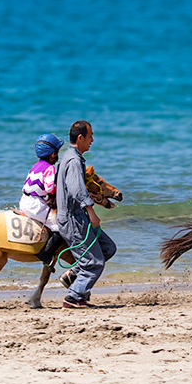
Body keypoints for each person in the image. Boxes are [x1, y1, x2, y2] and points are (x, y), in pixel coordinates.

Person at [56, 120, 117, 308]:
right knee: (94, 263)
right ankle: (73, 297)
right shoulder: (74, 161)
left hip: (78, 216)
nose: (92, 140)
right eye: (90, 136)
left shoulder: (71, 157)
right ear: (81, 138)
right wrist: (92, 212)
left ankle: (73, 275)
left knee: (108, 248)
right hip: (73, 219)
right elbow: (76, 190)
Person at [16, 133, 68, 266]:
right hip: (34, 204)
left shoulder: (36, 165)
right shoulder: (49, 168)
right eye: (57, 152)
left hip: (24, 201)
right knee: (60, 225)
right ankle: (46, 254)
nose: (57, 155)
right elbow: (49, 188)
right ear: (52, 154)